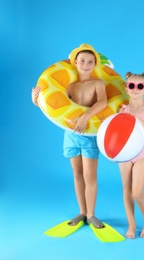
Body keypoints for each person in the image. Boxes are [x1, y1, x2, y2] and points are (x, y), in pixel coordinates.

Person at [32, 44, 107, 229]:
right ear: (75, 62)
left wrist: (86, 116)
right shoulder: (70, 86)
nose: (86, 65)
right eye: (82, 61)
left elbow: (103, 102)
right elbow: (54, 107)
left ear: (95, 64)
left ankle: (92, 214)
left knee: (90, 175)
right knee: (77, 173)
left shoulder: (98, 83)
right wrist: (36, 101)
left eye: (90, 62)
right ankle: (82, 212)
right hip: (71, 135)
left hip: (89, 134)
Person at [118, 71, 144, 239]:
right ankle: (131, 223)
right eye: (132, 86)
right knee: (127, 190)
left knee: (137, 192)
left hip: (141, 155)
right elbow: (117, 133)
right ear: (127, 89)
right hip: (125, 154)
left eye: (139, 86)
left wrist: (136, 119)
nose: (135, 89)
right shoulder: (122, 109)